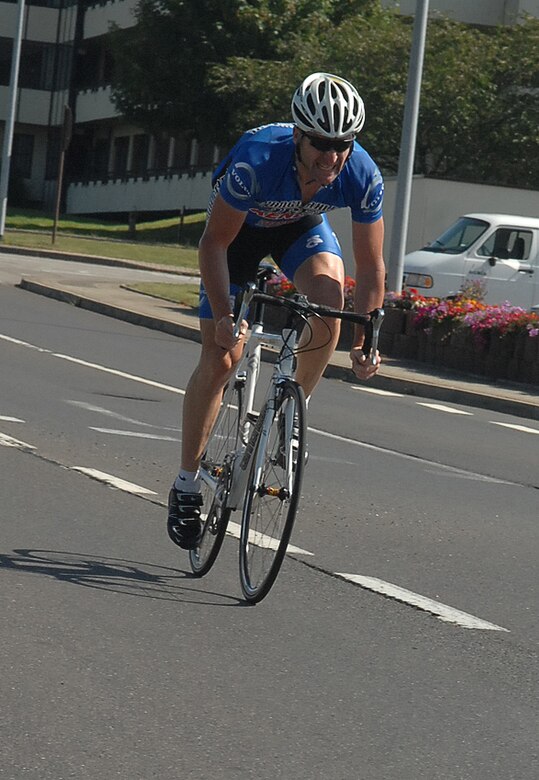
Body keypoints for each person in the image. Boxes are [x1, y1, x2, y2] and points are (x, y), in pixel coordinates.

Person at [168, 72, 386, 550]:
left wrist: (366, 340)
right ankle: (186, 485)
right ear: (298, 137)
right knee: (221, 356)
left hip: (298, 229)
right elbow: (213, 244)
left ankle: (293, 409)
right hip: (236, 237)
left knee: (331, 302)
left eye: (342, 145)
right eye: (320, 145)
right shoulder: (258, 159)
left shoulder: (362, 173)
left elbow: (371, 267)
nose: (331, 157)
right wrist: (225, 316)